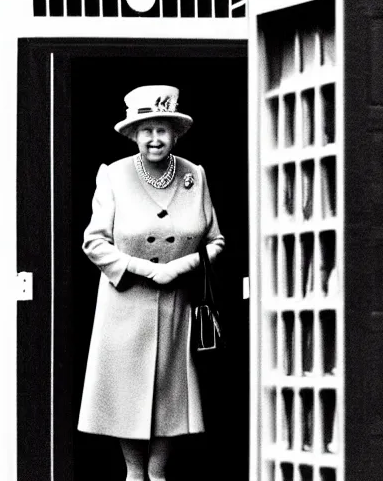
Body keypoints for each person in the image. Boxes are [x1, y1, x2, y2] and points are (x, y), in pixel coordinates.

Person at [78, 85, 225, 481]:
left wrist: (178, 269)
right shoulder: (113, 175)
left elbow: (216, 241)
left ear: (176, 134)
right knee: (127, 392)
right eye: (146, 130)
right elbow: (93, 242)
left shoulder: (196, 175)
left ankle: (157, 475)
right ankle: (133, 474)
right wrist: (145, 269)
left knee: (169, 394)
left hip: (177, 302)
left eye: (163, 130)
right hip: (125, 304)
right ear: (133, 134)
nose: (155, 139)